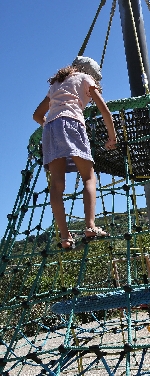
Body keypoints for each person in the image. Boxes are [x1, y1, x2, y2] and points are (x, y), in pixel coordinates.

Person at [33, 56, 117, 250]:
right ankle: (90, 226)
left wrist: (51, 126)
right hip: (72, 123)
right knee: (88, 177)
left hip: (50, 129)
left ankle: (65, 237)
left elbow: (37, 115)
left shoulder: (56, 84)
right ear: (90, 73)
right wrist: (112, 138)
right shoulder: (86, 79)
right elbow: (104, 110)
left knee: (56, 185)